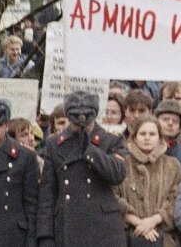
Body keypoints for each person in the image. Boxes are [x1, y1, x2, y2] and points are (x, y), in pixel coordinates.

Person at [38, 90, 130, 247]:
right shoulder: (55, 145)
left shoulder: (111, 140)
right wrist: (45, 236)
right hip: (68, 227)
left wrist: (90, 149)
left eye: (87, 121)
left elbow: (117, 175)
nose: (81, 126)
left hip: (103, 230)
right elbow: (48, 194)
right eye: (75, 122)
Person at [0, 99, 41, 247]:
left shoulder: (25, 157)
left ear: (6, 125)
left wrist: (31, 241)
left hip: (12, 237)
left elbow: (32, 206)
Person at [116, 115, 181, 247]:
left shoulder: (172, 165)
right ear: (134, 138)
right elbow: (113, 197)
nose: (147, 137)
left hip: (164, 238)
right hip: (127, 237)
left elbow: (177, 198)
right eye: (142, 133)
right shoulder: (121, 164)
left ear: (159, 138)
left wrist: (154, 220)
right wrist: (138, 222)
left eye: (152, 134)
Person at [154, 99, 181, 170]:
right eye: (165, 119)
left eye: (175, 121)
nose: (170, 123)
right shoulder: (146, 146)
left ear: (180, 128)